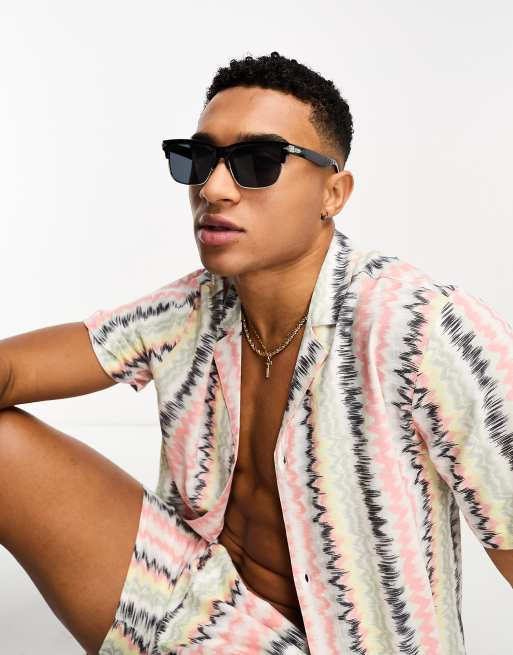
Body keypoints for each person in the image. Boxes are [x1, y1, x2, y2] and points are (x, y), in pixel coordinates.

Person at [0, 51, 512, 655]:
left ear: (333, 192)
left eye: (258, 162)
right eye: (199, 160)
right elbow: (13, 372)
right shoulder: (191, 309)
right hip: (198, 620)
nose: (214, 189)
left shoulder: (422, 327)